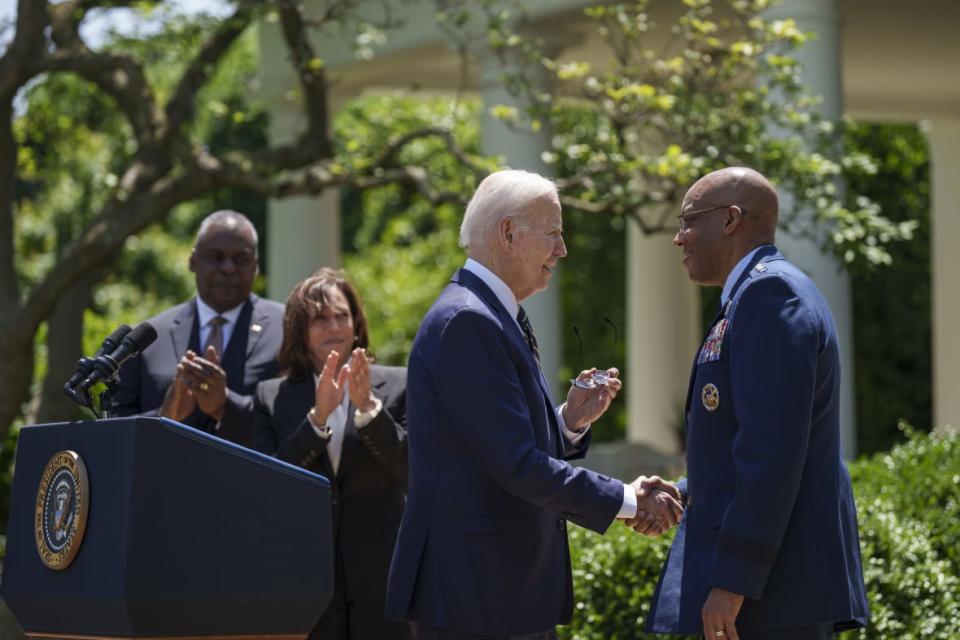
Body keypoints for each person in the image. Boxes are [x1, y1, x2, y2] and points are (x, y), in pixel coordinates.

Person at [385, 169, 683, 640]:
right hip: (476, 593)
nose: (562, 251)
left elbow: (495, 447)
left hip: (494, 590)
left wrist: (567, 422)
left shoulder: (489, 313)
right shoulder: (469, 321)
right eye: (554, 234)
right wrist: (629, 500)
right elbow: (517, 465)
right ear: (508, 232)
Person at [638, 167, 870, 639]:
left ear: (730, 220)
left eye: (688, 221)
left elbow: (773, 454)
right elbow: (746, 442)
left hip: (770, 596)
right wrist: (686, 490)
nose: (679, 238)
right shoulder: (752, 296)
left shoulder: (770, 295)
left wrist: (732, 581)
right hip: (768, 591)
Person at [253, 268, 409, 640]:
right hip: (305, 585)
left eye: (342, 315)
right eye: (320, 318)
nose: (334, 326)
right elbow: (267, 488)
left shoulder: (400, 384)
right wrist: (317, 419)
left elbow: (413, 470)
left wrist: (370, 410)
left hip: (385, 581)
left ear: (356, 323)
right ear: (299, 332)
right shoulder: (269, 397)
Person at [113, 210, 284, 447]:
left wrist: (225, 407)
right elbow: (115, 432)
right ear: (193, 261)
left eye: (241, 259)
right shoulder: (148, 337)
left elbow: (295, 423)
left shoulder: (287, 329)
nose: (228, 268)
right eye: (215, 257)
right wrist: (166, 415)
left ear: (256, 265)